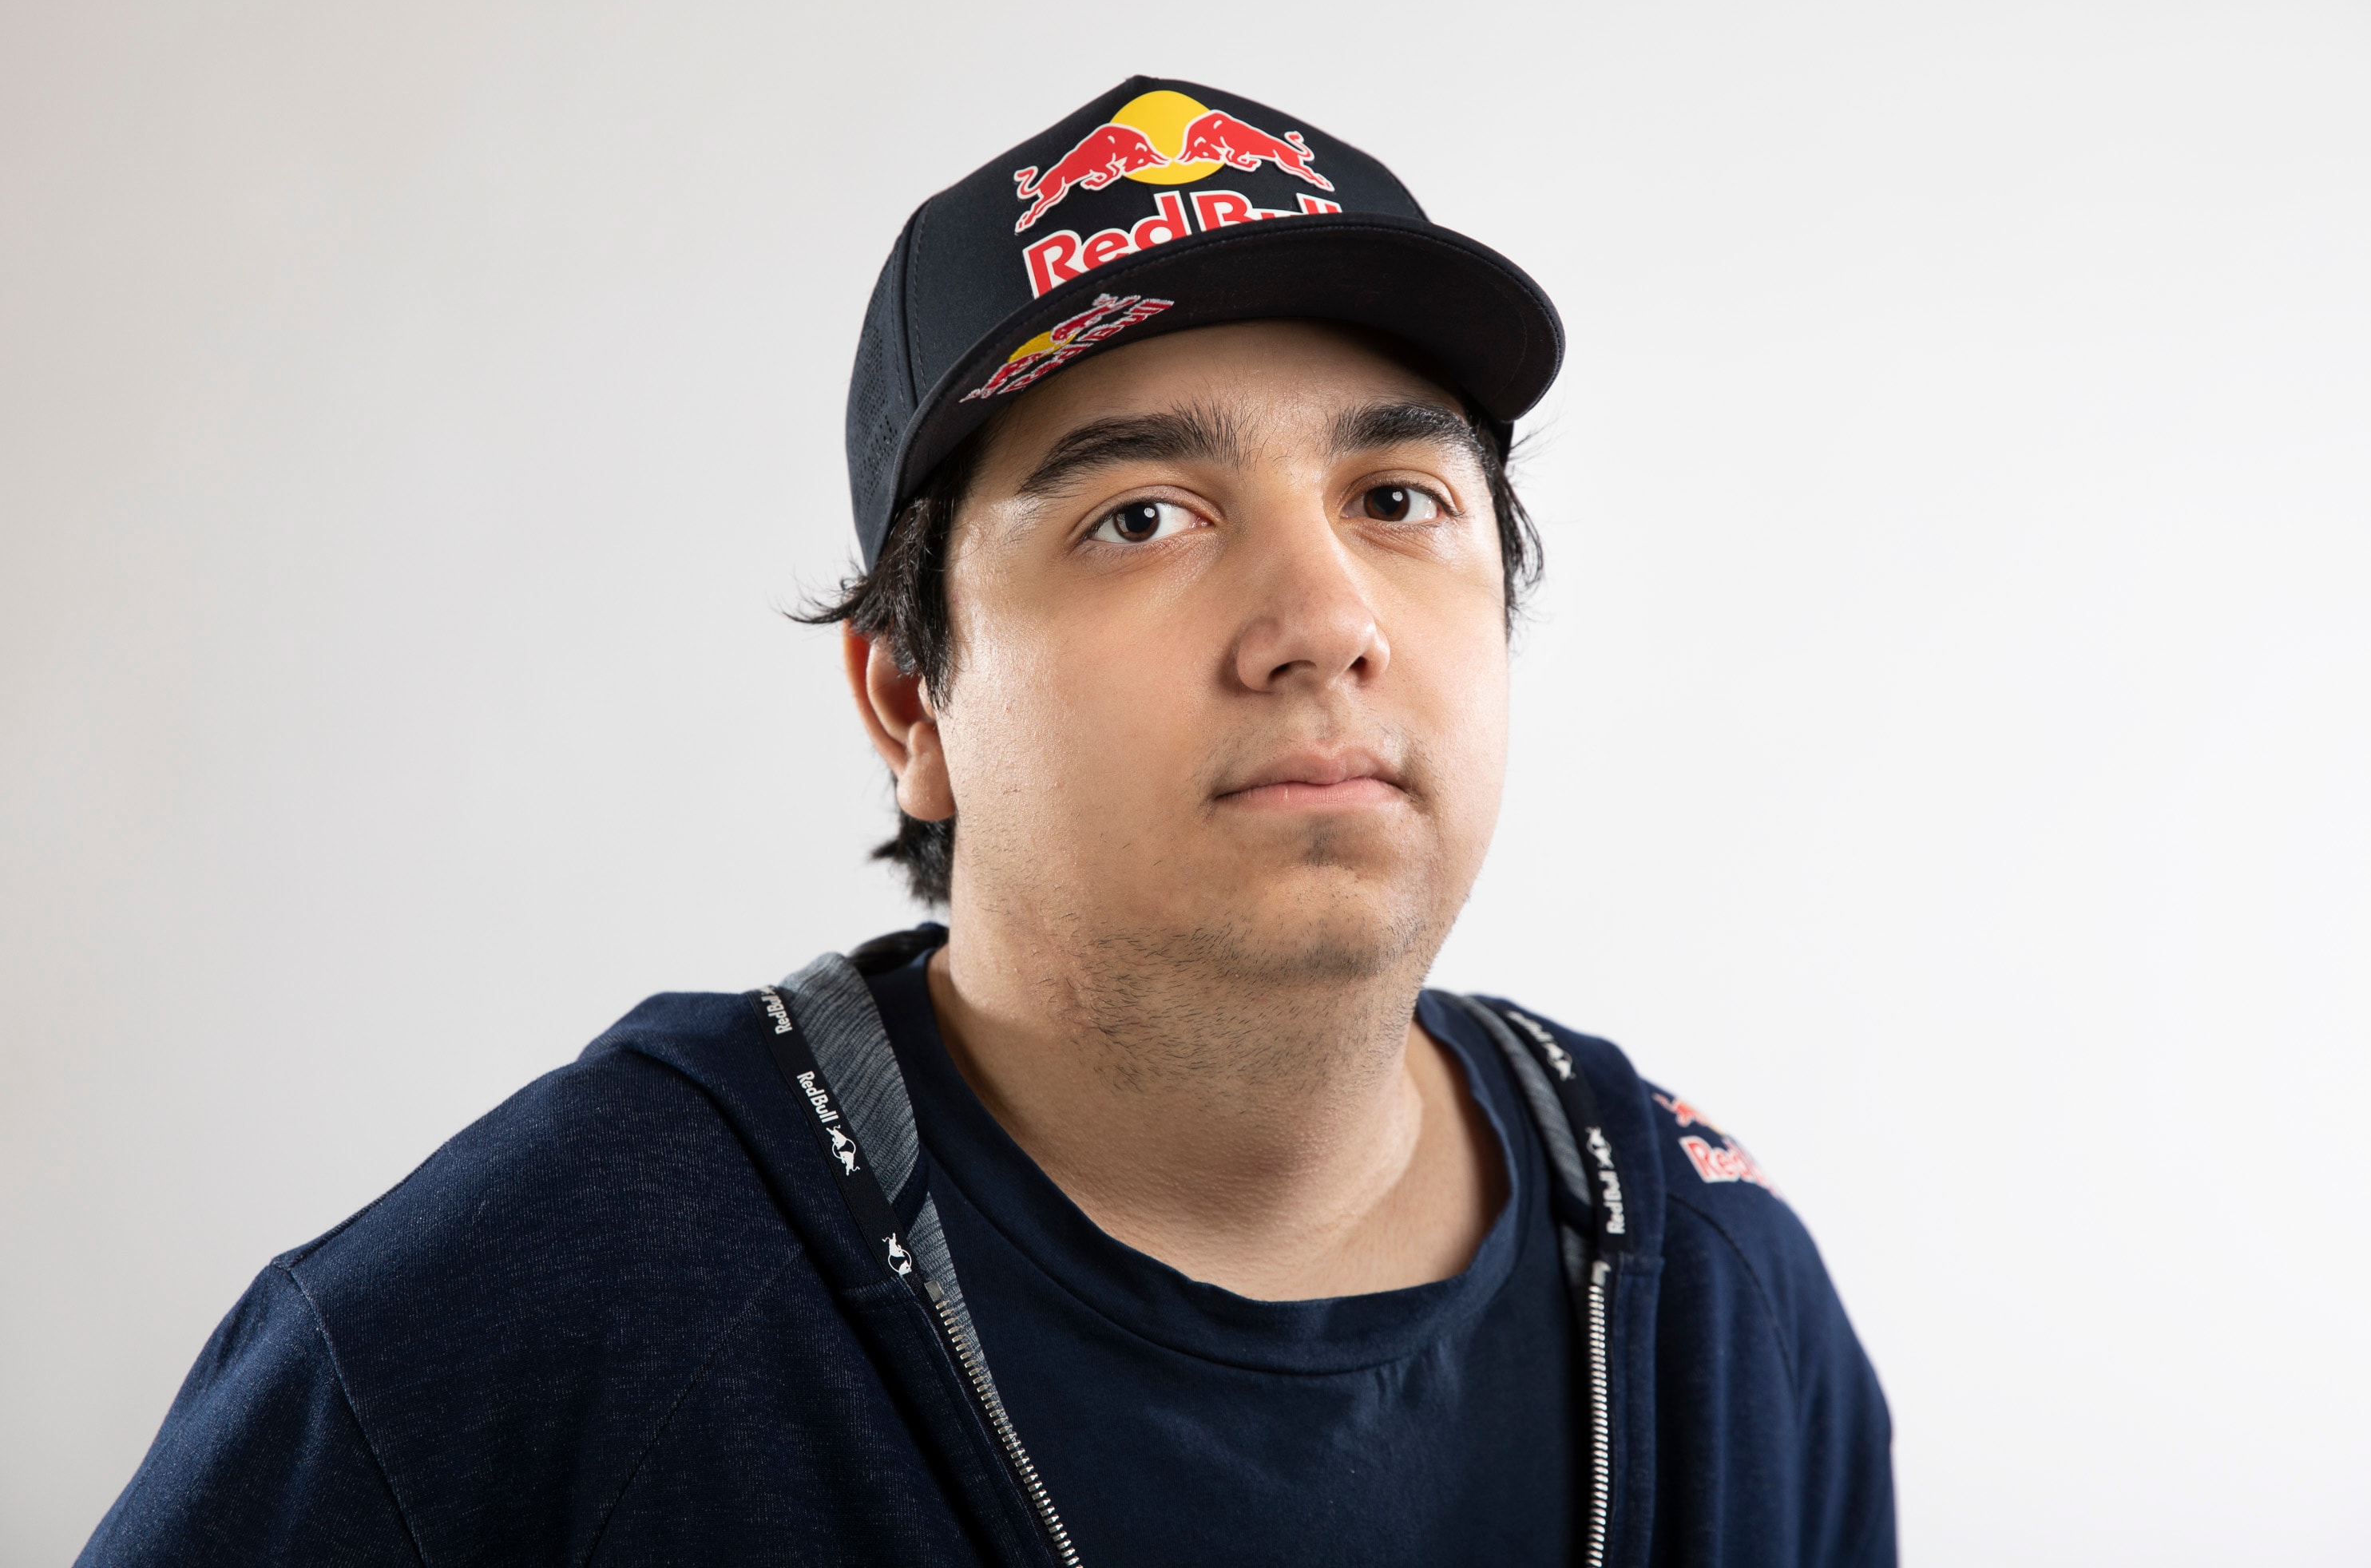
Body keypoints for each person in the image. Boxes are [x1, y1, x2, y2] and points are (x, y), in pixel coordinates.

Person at [80, 78, 1893, 1567]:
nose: (1324, 618)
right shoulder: (532, 1321)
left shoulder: (1716, 1303)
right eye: (1140, 517)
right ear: (909, 702)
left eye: (1398, 497)